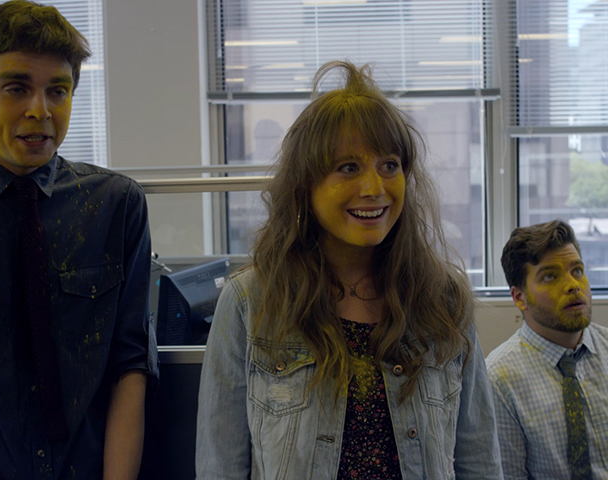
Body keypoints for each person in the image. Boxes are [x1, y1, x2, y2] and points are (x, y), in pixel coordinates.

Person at [196, 61, 502, 479]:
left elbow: (479, 461)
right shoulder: (250, 302)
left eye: (389, 165)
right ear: (306, 184)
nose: (375, 188)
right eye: (349, 167)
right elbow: (220, 466)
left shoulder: (443, 300)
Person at [0, 1, 158, 478]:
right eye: (17, 88)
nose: (41, 110)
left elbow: (130, 363)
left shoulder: (114, 205)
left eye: (58, 90)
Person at [486, 220, 608, 479]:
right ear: (519, 298)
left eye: (577, 270)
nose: (573, 285)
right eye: (550, 276)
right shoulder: (499, 379)